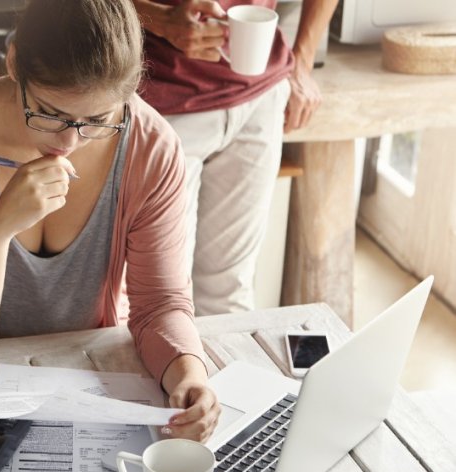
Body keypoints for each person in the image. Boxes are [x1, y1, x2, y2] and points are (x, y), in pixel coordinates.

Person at [0, 0, 221, 442]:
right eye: (50, 113)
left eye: (98, 120)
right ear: (14, 62)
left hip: (72, 369)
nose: (69, 142)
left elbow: (159, 305)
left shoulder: (152, 148)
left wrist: (188, 375)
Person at [132, 0, 338, 315]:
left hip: (261, 96)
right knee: (163, 300)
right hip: (160, 103)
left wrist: (303, 62)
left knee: (230, 293)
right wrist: (158, 20)